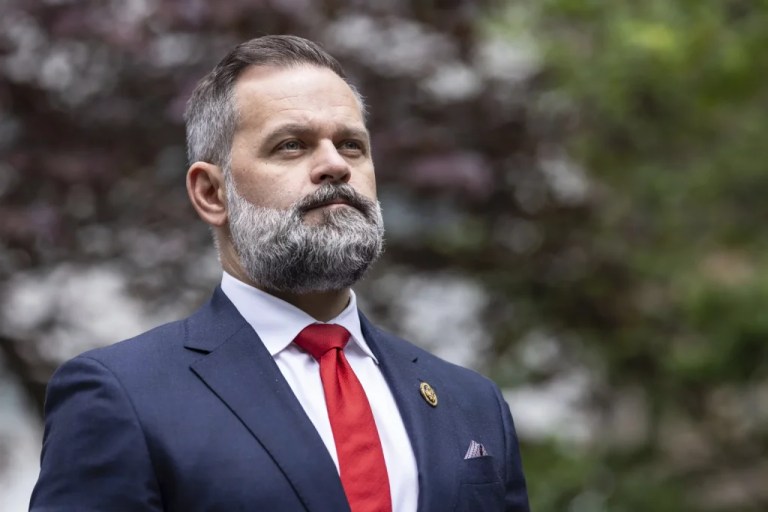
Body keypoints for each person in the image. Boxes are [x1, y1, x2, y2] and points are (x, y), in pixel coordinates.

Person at [29, 35, 529, 512]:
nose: (334, 165)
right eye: (291, 145)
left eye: (352, 145)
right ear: (210, 192)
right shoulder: (122, 396)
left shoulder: (472, 402)